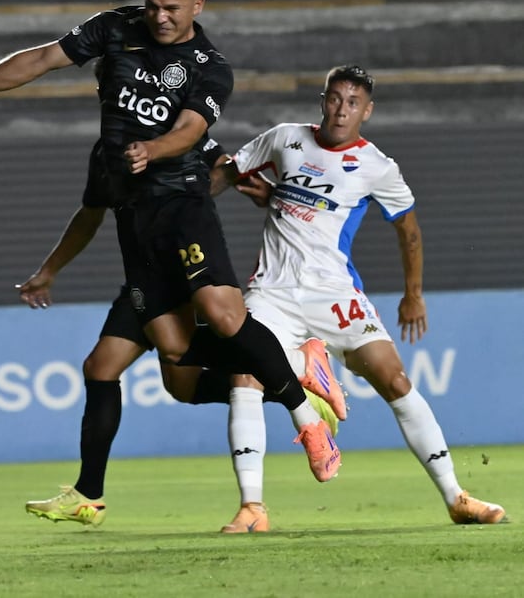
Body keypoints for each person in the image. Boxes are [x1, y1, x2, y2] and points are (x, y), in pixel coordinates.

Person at [0, 0, 341, 500]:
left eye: (172, 8)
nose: (160, 16)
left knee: (223, 314)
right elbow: (42, 58)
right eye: (153, 6)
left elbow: (191, 129)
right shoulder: (114, 31)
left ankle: (307, 421)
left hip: (183, 204)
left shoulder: (210, 66)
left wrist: (154, 150)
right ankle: (296, 366)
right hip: (135, 221)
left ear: (197, 5)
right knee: (177, 363)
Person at [209, 64, 506, 532]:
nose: (341, 110)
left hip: (334, 294)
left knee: (395, 379)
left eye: (352, 103)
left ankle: (457, 497)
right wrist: (185, 199)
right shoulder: (285, 138)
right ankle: (252, 507)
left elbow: (409, 230)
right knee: (245, 375)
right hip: (273, 292)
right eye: (334, 99)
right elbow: (227, 174)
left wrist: (413, 295)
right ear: (322, 100)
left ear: (367, 111)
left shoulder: (377, 167)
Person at [19, 136, 340, 527]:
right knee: (141, 376)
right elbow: (90, 213)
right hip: (142, 271)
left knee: (170, 353)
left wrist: (233, 194)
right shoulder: (107, 147)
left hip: (180, 266)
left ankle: (294, 368)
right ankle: (89, 496)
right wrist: (49, 271)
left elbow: (224, 164)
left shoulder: (176, 125)